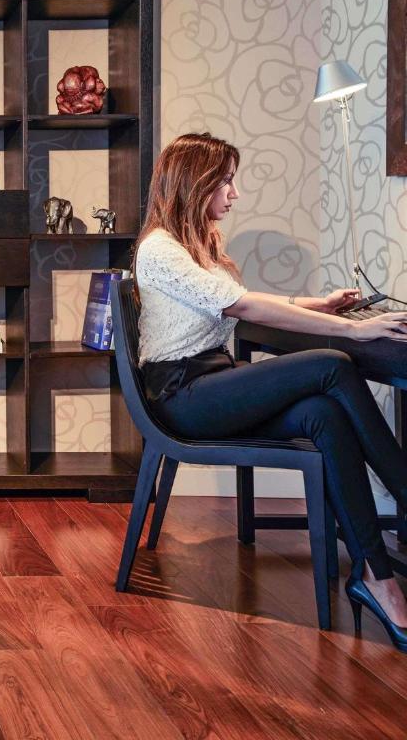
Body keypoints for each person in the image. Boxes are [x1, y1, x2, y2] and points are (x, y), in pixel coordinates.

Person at [134, 132, 407, 652]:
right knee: (332, 362)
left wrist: (319, 304)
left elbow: (240, 297)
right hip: (184, 396)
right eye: (226, 181)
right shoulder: (160, 249)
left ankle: (378, 578)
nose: (233, 194)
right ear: (196, 184)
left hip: (210, 381)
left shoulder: (197, 244)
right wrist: (354, 329)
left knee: (324, 414)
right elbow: (239, 307)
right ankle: (404, 489)